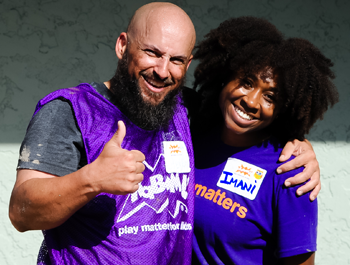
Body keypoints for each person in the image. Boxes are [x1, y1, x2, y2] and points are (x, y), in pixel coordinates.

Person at [9, 3, 321, 265]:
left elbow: (246, 119)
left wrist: (298, 142)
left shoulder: (186, 110)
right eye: (152, 52)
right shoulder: (70, 110)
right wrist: (91, 179)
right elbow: (22, 212)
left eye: (175, 60)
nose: (162, 70)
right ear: (123, 46)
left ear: (187, 63)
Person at [191, 17, 338, 265]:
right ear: (226, 75)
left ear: (283, 109)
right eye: (247, 82)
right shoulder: (190, 136)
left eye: (270, 97)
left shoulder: (290, 171)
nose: (252, 101)